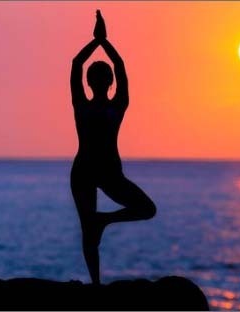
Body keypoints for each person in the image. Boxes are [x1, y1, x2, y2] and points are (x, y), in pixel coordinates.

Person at [70, 10, 156, 285]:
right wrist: (104, 41)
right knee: (144, 209)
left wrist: (96, 41)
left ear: (91, 82)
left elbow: (76, 63)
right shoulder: (116, 105)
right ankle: (96, 281)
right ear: (109, 82)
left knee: (89, 228)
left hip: (94, 170)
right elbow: (119, 65)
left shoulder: (83, 105)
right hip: (97, 171)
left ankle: (96, 279)